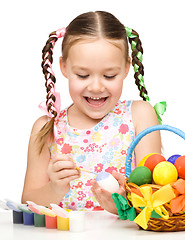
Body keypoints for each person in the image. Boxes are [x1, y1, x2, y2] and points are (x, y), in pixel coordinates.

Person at [21, 11, 161, 214]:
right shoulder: (47, 128)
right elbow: (27, 203)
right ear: (64, 67)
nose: (96, 87)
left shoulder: (140, 116)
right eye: (83, 75)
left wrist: (122, 205)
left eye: (109, 75)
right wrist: (54, 188)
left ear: (125, 69)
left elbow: (158, 197)